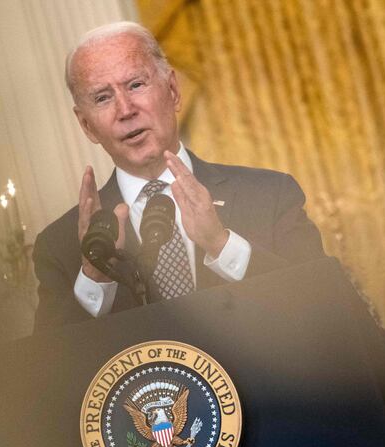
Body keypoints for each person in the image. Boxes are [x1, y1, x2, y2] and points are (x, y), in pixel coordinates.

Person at [32, 21, 325, 332]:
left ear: (172, 91)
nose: (125, 109)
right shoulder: (59, 246)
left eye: (135, 85)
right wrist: (94, 277)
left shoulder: (271, 196)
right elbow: (51, 370)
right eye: (103, 98)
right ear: (87, 126)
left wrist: (222, 244)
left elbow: (325, 309)